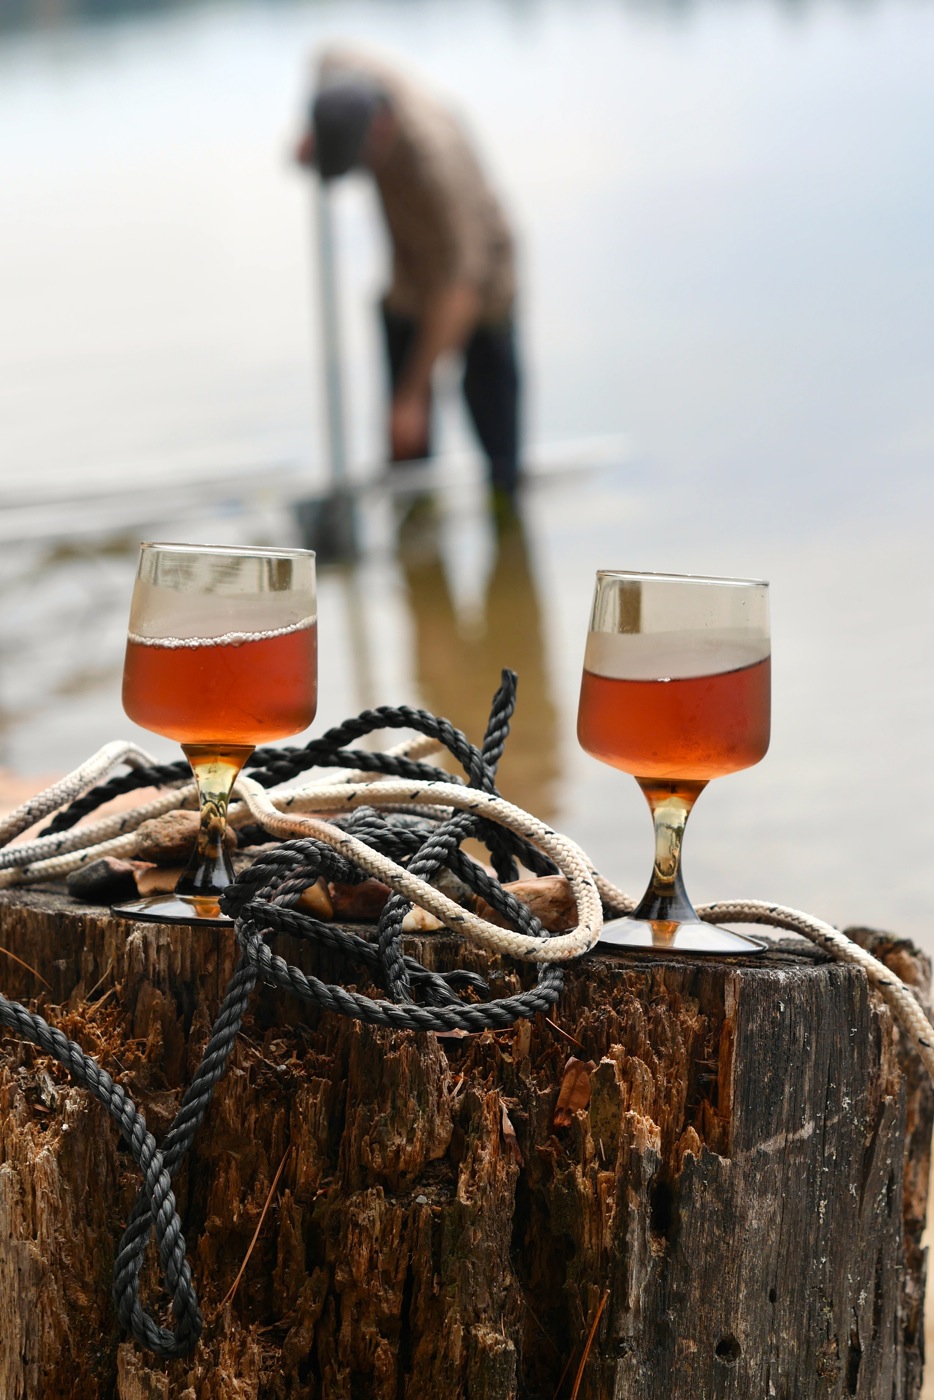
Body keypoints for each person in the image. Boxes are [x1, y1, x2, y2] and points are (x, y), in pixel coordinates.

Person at [295, 48, 521, 500]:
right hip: (409, 276)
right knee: (405, 448)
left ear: (380, 130)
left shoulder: (436, 164)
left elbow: (461, 287)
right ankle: (413, 516)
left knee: (491, 434)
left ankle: (506, 511)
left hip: (478, 285)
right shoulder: (349, 82)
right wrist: (310, 132)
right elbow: (324, 53)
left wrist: (413, 395)